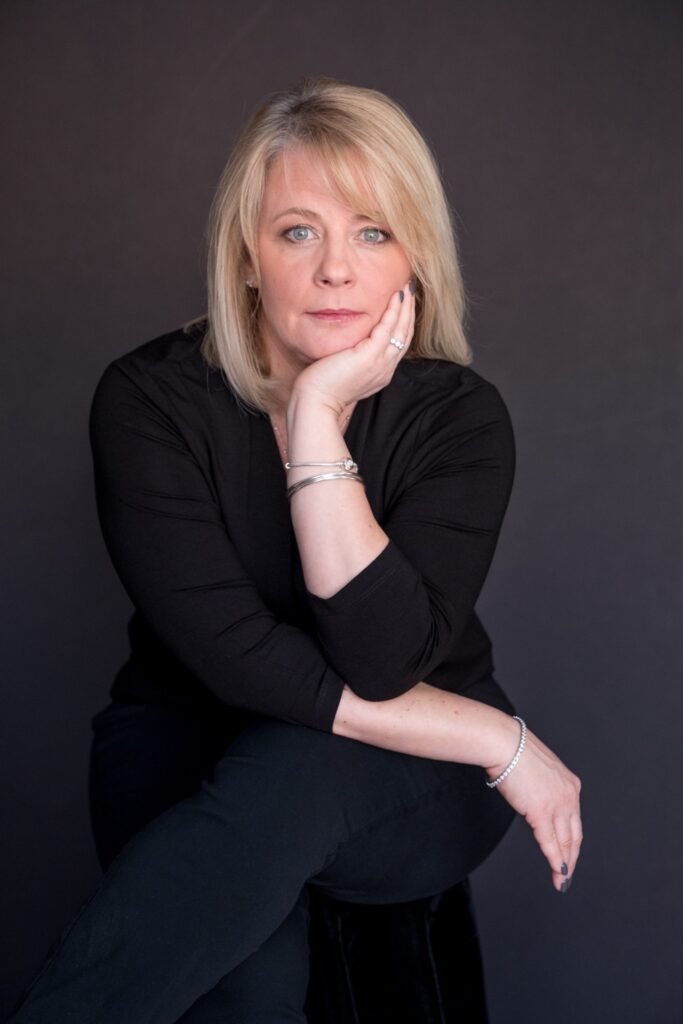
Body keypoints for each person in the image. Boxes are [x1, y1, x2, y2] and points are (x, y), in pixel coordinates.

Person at [9, 75, 582, 1022]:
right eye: (297, 231)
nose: (335, 270)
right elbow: (240, 664)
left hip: (410, 776)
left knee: (294, 770)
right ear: (245, 257)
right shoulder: (149, 401)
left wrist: (315, 420)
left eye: (372, 232)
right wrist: (498, 737)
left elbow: (384, 659)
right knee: (247, 976)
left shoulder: (459, 418)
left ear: (414, 260)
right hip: (195, 742)